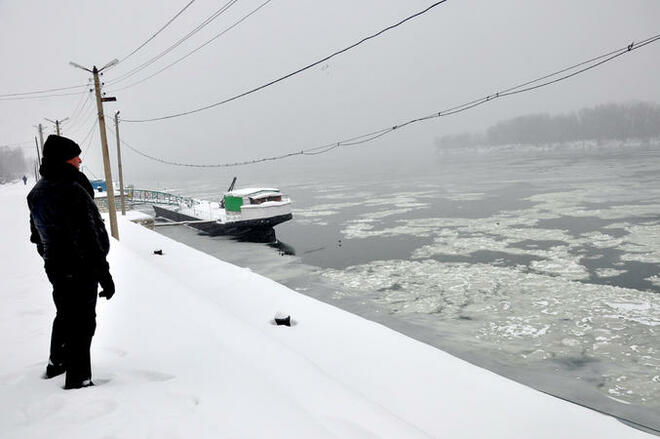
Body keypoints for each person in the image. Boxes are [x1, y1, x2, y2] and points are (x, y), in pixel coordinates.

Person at [27, 135, 115, 389]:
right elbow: (89, 239)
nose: (79, 160)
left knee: (65, 314)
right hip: (81, 267)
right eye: (74, 156)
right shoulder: (72, 190)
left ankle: (57, 363)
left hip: (56, 266)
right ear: (63, 159)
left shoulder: (38, 191)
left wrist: (51, 258)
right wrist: (104, 276)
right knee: (83, 323)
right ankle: (79, 380)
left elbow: (37, 236)